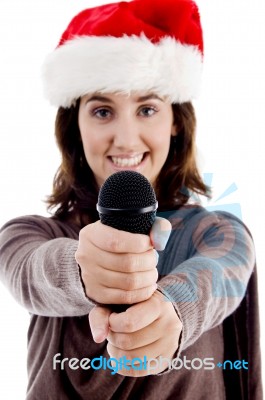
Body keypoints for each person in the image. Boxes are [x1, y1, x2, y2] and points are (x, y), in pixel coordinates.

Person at [0, 0, 263, 399]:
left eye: (147, 108)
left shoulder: (219, 232)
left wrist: (173, 310)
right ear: (76, 125)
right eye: (103, 111)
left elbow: (222, 270)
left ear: (176, 120)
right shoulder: (27, 233)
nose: (125, 139)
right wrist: (82, 271)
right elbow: (28, 270)